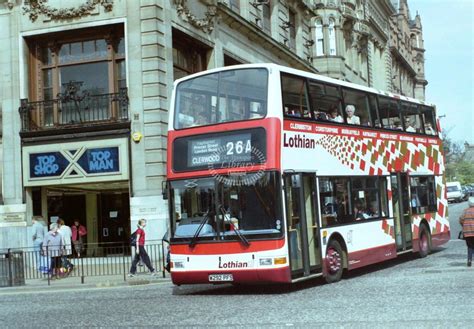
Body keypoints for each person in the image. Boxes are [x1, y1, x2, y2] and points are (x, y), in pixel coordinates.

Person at [459, 197, 474, 267]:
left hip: (467, 232)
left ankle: (469, 260)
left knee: (470, 246)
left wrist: (464, 225)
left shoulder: (465, 211)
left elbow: (461, 220)